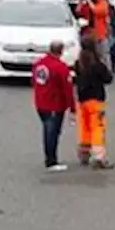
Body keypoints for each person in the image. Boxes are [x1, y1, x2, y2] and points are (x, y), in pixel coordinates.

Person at [31, 40, 76, 171]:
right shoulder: (60, 67)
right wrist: (72, 107)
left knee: (47, 129)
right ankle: (51, 160)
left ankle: (50, 157)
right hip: (54, 105)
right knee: (52, 132)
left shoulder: (39, 64)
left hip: (40, 103)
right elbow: (67, 89)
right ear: (61, 51)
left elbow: (34, 81)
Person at [73, 37, 115, 169]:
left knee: (84, 127)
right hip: (96, 100)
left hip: (82, 100)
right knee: (97, 128)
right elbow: (108, 78)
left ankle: (84, 152)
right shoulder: (97, 65)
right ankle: (98, 156)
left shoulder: (78, 63)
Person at [89, 0, 113, 68]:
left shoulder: (103, 4)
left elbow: (95, 10)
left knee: (104, 55)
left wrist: (88, 0)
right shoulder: (99, 3)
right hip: (98, 33)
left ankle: (107, 70)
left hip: (102, 34)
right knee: (100, 55)